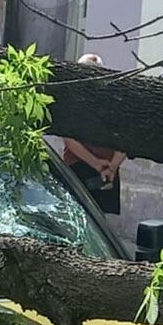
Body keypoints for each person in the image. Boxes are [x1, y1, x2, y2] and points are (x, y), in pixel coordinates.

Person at [61, 53, 126, 215]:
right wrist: (111, 166)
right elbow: (127, 140)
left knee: (80, 217)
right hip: (97, 167)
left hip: (85, 167)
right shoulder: (116, 100)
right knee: (97, 220)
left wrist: (105, 165)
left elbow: (69, 140)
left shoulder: (73, 100)